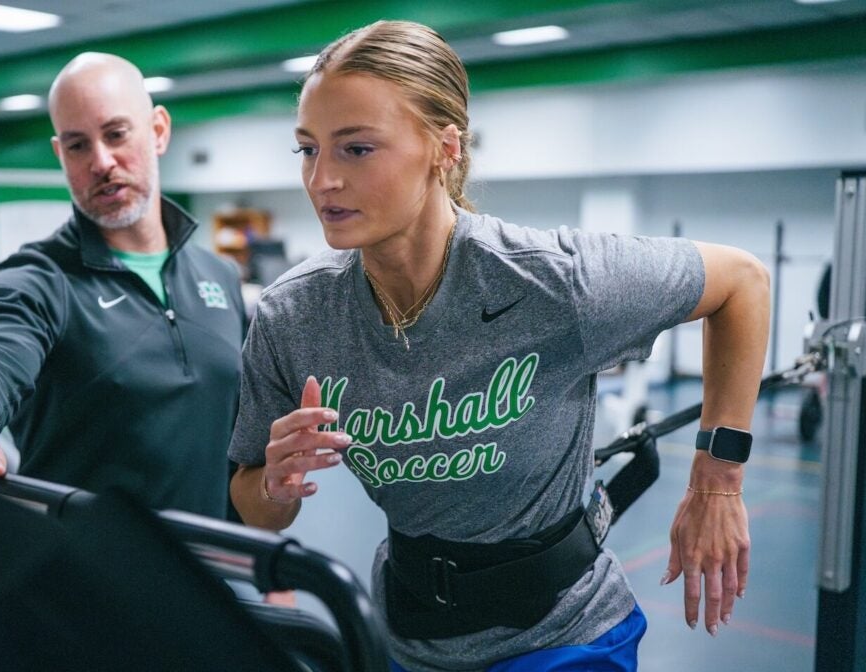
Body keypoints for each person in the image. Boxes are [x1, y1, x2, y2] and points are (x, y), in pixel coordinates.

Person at [228, 20, 769, 671]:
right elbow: (255, 511)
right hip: (410, 638)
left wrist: (719, 480)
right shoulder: (295, 314)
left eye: (357, 149)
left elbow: (743, 282)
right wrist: (279, 484)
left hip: (565, 638)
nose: (322, 180)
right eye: (308, 150)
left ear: (444, 147)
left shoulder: (551, 281)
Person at [0, 52, 245, 518]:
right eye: (77, 145)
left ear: (158, 130)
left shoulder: (218, 275)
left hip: (214, 564)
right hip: (84, 572)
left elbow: (233, 433)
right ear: (59, 154)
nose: (101, 162)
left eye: (116, 134)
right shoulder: (37, 279)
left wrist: (262, 558)